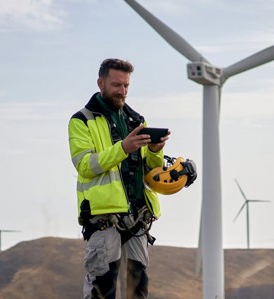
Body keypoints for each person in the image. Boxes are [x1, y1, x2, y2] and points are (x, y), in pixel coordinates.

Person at [68, 58, 169, 299]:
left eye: (126, 86)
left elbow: (150, 172)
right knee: (102, 289)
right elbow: (85, 165)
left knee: (138, 290)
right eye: (116, 85)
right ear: (100, 82)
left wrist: (155, 150)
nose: (122, 91)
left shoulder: (137, 120)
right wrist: (123, 147)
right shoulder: (81, 120)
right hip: (103, 219)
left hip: (138, 219)